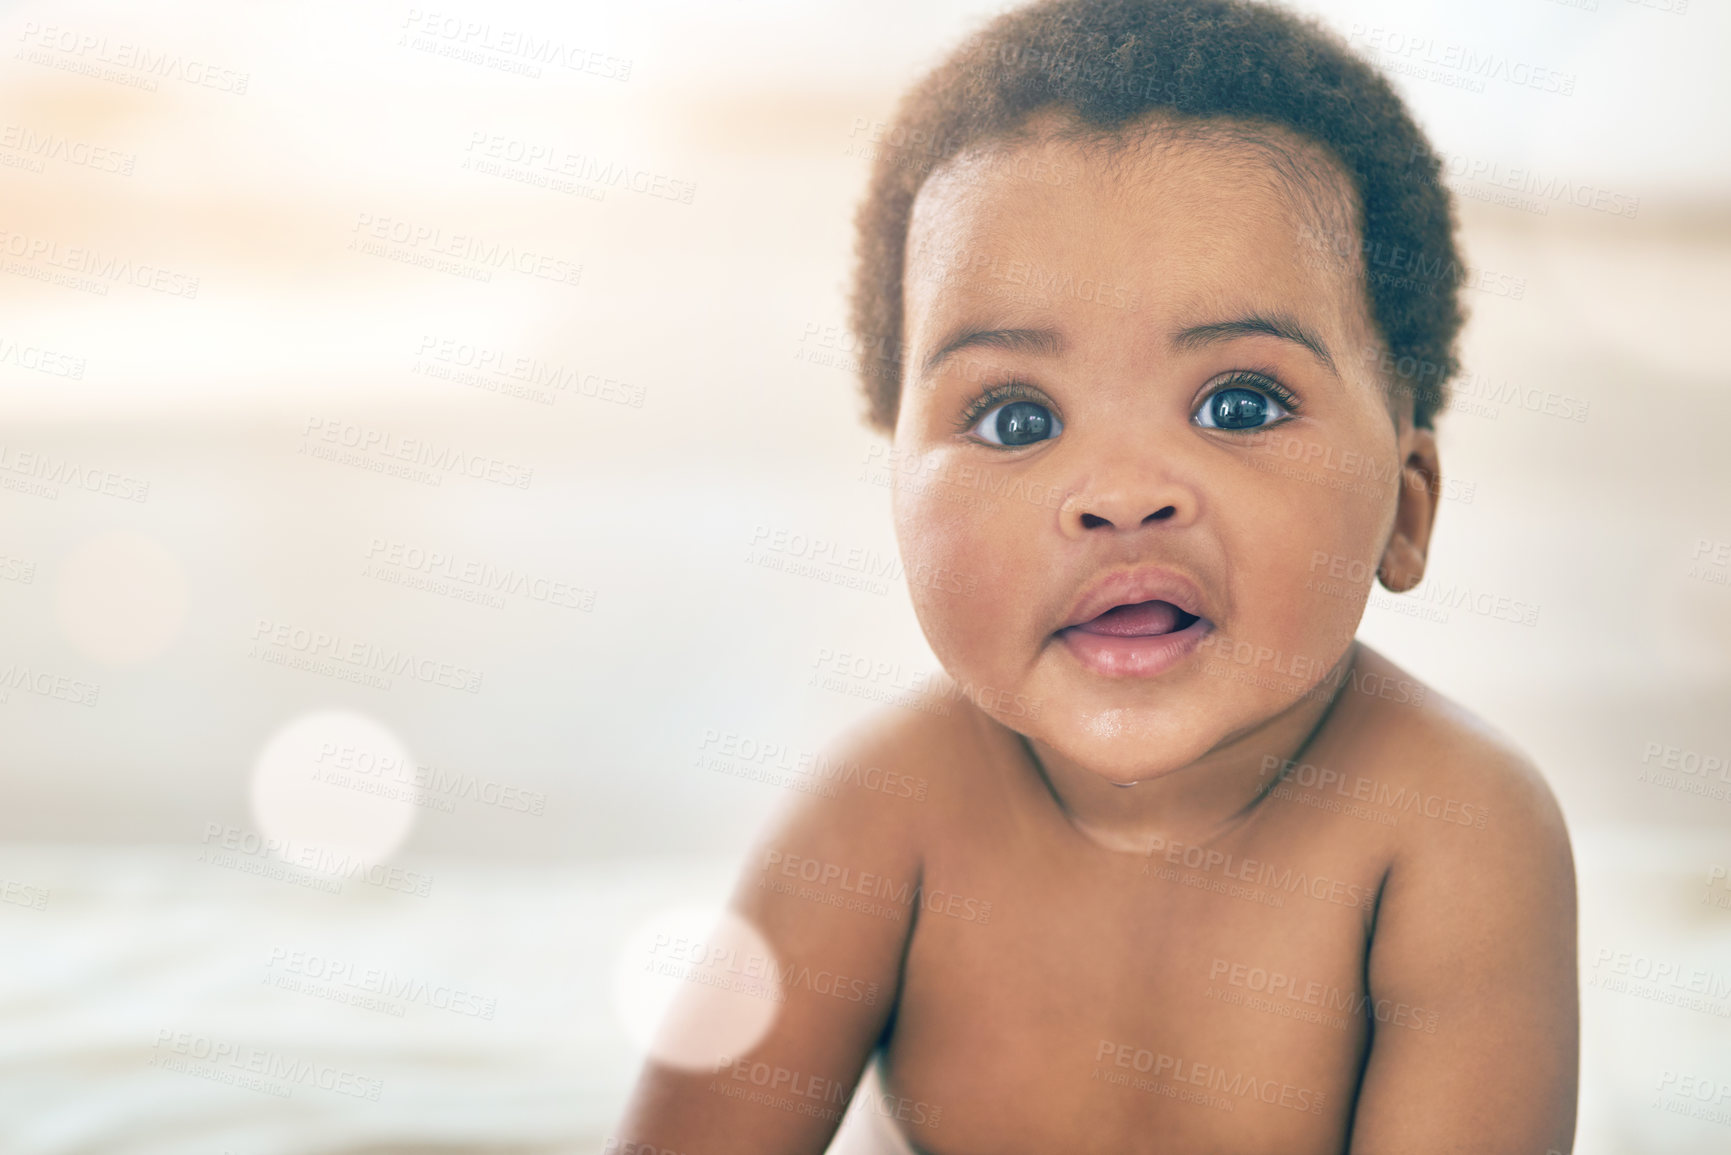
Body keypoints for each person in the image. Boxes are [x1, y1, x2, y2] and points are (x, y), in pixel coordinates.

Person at [616, 0, 1578, 1150]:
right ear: (895, 497)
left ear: (1405, 511)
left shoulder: (1452, 833)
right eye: (1016, 418)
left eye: (1240, 403)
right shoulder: (878, 821)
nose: (1123, 492)